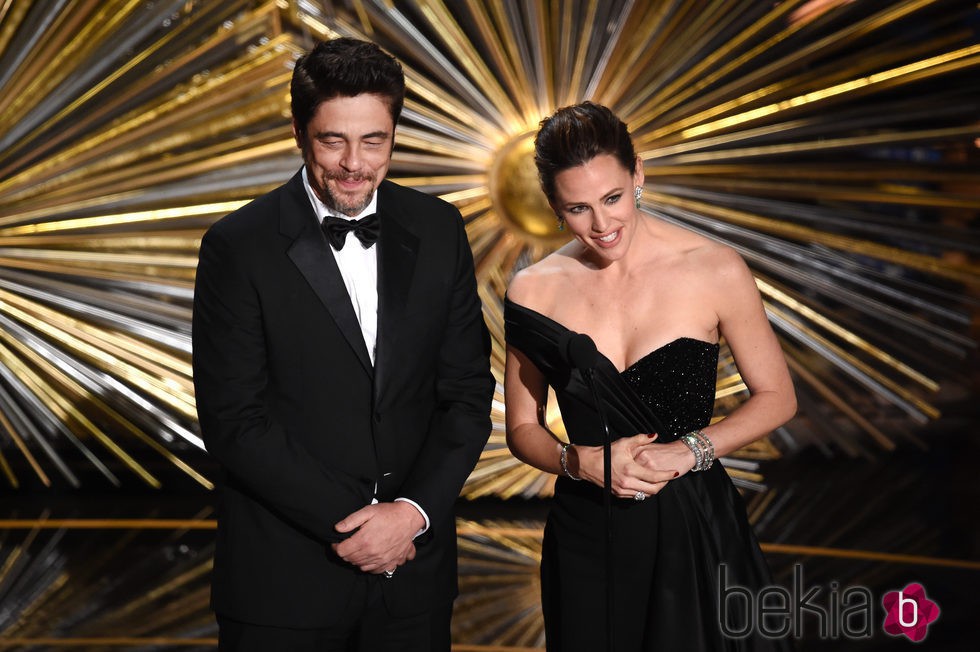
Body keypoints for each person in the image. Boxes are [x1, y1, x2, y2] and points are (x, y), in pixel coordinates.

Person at [192, 37, 493, 651]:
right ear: (301, 132)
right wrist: (364, 524)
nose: (355, 163)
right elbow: (234, 423)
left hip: (414, 579)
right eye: (334, 140)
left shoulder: (439, 229)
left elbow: (466, 393)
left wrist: (411, 513)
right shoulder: (238, 246)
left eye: (373, 140)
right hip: (284, 583)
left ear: (393, 134)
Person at [504, 101, 797, 651]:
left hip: (694, 523)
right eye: (578, 209)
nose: (602, 224)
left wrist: (691, 450)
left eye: (613, 198)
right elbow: (522, 428)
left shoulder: (714, 268)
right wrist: (577, 461)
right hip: (588, 532)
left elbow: (777, 396)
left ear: (638, 174)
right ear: (553, 206)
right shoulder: (533, 290)